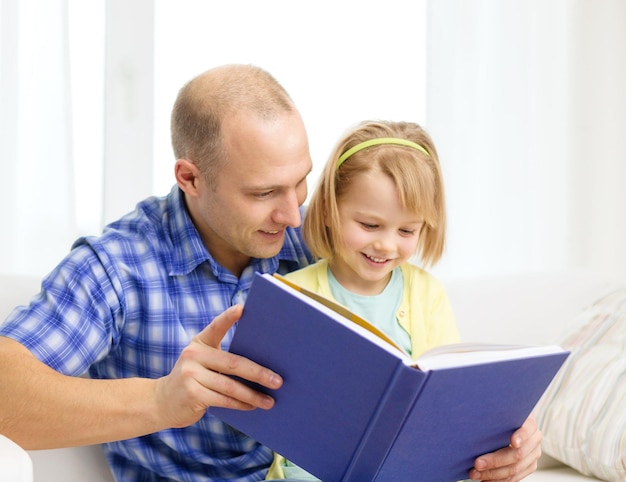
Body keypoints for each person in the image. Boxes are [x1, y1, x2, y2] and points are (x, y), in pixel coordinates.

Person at [0, 64, 541, 481]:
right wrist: (160, 400)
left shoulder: (322, 242)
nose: (292, 215)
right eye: (263, 193)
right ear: (190, 177)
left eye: (300, 183)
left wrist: (499, 438)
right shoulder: (119, 266)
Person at [267, 120, 541, 481]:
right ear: (331, 210)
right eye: (369, 225)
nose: (386, 245)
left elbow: (449, 394)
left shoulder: (427, 294)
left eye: (407, 230)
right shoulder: (292, 293)